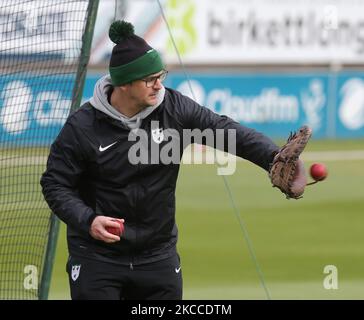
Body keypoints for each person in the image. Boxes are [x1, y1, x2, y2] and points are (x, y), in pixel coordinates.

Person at [40, 20, 307, 300]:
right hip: (97, 258)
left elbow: (223, 130)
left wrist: (271, 156)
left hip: (157, 256)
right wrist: (89, 220)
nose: (159, 85)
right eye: (149, 79)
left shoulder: (175, 109)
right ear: (124, 84)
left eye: (161, 76)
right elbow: (55, 185)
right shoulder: (82, 127)